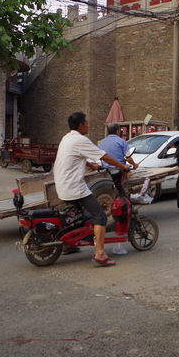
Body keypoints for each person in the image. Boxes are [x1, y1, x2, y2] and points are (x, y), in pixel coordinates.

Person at [54, 112, 131, 266]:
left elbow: (76, 156)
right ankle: (100, 254)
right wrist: (122, 166)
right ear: (81, 125)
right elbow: (104, 156)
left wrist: (91, 165)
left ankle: (68, 243)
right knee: (100, 216)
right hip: (74, 187)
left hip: (61, 184)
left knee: (78, 216)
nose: (89, 125)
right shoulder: (81, 140)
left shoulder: (67, 138)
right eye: (87, 123)